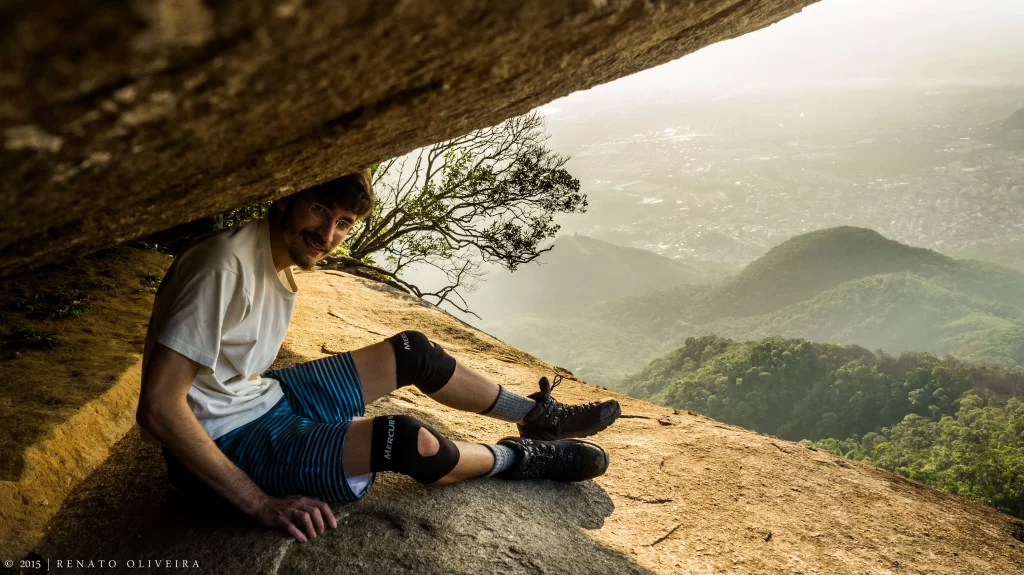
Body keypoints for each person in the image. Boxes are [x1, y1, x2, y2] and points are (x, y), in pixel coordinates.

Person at [136, 169, 622, 543]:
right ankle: (521, 458)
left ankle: (538, 417)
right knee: (407, 439)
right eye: (319, 209)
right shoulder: (223, 266)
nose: (328, 235)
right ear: (286, 197)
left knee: (413, 351)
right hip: (226, 442)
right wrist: (259, 502)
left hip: (265, 400)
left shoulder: (271, 259)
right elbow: (159, 406)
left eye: (343, 223)